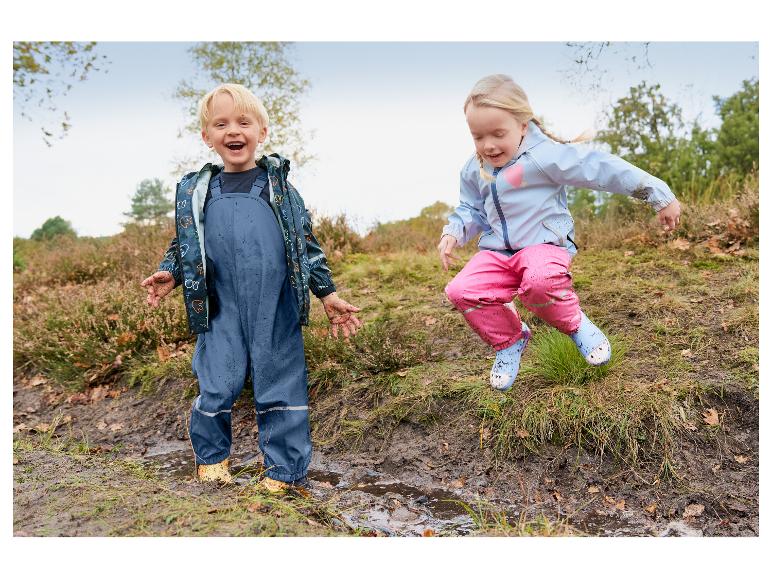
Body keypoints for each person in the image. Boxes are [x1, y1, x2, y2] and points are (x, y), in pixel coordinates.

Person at [141, 83, 362, 490]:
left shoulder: (278, 188)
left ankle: (283, 470)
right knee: (216, 379)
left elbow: (304, 244)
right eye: (221, 124)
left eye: (243, 122)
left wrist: (327, 293)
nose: (233, 131)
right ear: (207, 137)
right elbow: (185, 243)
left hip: (272, 301)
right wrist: (170, 271)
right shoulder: (198, 192)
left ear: (263, 131)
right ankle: (212, 459)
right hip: (220, 303)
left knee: (278, 378)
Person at [439, 74, 681, 392]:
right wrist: (454, 231)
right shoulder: (475, 168)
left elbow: (601, 168)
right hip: (497, 253)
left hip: (543, 246)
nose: (488, 145)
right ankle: (510, 341)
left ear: (523, 125)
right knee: (461, 290)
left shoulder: (544, 156)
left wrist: (657, 193)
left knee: (538, 284)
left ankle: (576, 325)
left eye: (498, 134)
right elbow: (471, 208)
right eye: (478, 137)